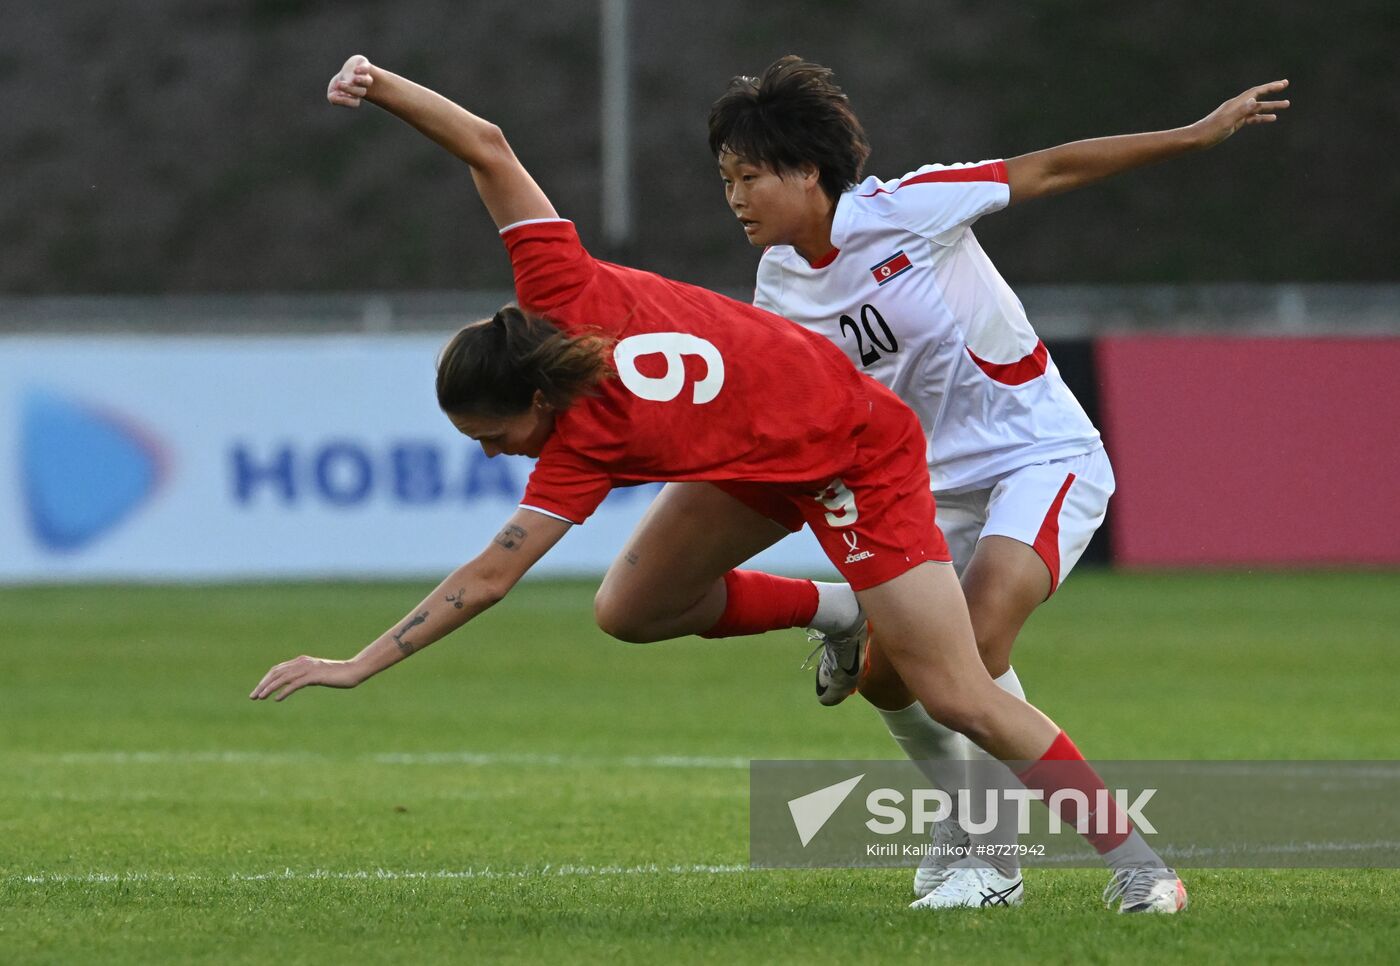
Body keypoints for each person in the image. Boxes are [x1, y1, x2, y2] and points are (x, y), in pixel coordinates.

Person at [251, 55, 1187, 914]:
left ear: (537, 394)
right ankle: (843, 614)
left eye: (499, 437)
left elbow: (490, 578)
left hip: (857, 457)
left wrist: (356, 664)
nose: (498, 455)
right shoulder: (560, 284)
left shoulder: (579, 433)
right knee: (631, 605)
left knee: (955, 687)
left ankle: (1139, 869)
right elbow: (486, 146)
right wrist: (382, 86)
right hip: (759, 458)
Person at [590, 56, 1287, 906]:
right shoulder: (777, 282)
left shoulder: (909, 208)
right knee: (890, 677)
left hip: (1036, 457)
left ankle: (1035, 863)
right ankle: (884, 688)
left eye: (749, 176)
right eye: (725, 178)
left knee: (975, 651)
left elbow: (1052, 166)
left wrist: (1194, 133)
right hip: (922, 488)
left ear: (809, 172)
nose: (733, 197)